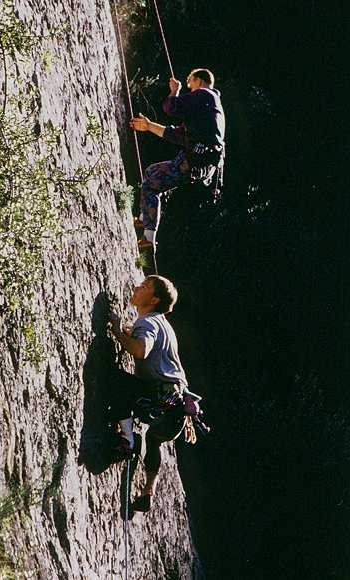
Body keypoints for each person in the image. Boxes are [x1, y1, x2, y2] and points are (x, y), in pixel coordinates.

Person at [109, 275, 189, 512]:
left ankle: (127, 439)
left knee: (116, 381)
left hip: (159, 400)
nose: (136, 287)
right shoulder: (164, 325)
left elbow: (141, 350)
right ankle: (148, 491)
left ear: (153, 299)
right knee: (154, 440)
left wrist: (116, 330)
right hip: (176, 410)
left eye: (143, 287)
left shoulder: (149, 323)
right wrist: (129, 331)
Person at [130, 68, 226, 250]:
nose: (191, 90)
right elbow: (176, 134)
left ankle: (149, 237)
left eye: (191, 85)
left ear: (198, 80)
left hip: (194, 160)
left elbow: (170, 107)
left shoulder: (203, 94)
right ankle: (143, 219)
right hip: (202, 163)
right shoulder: (210, 110)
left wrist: (175, 90)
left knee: (151, 183)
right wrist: (149, 126)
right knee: (152, 173)